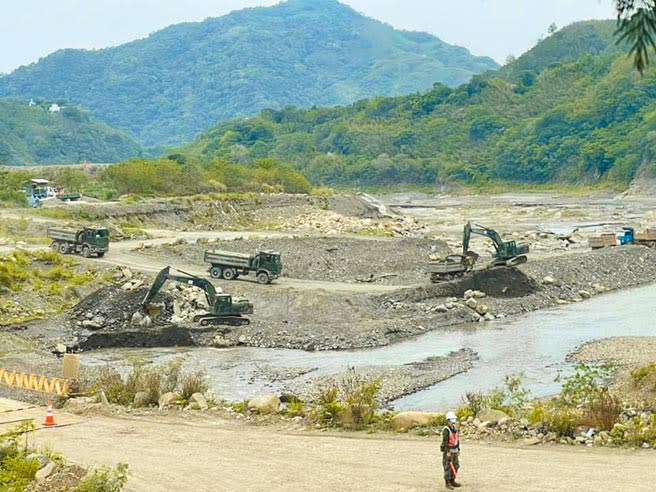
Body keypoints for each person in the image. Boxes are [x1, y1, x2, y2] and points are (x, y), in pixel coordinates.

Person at [440, 411, 461, 489]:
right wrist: (447, 452)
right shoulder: (446, 430)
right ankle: (447, 482)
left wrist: (458, 449)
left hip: (455, 450)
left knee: (456, 465)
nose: (453, 423)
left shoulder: (455, 428)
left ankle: (452, 480)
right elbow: (445, 442)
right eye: (451, 421)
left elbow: (457, 439)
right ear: (448, 421)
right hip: (448, 451)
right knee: (448, 466)